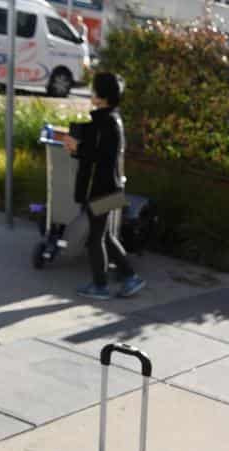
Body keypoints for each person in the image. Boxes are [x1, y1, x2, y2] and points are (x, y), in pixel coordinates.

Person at [56, 71, 145, 300]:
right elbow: (100, 155)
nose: (91, 93)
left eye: (94, 89)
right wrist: (77, 148)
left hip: (101, 189)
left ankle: (101, 285)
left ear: (102, 95)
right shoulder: (110, 119)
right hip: (112, 188)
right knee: (103, 236)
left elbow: (102, 157)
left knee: (96, 238)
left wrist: (78, 148)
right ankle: (129, 277)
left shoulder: (106, 122)